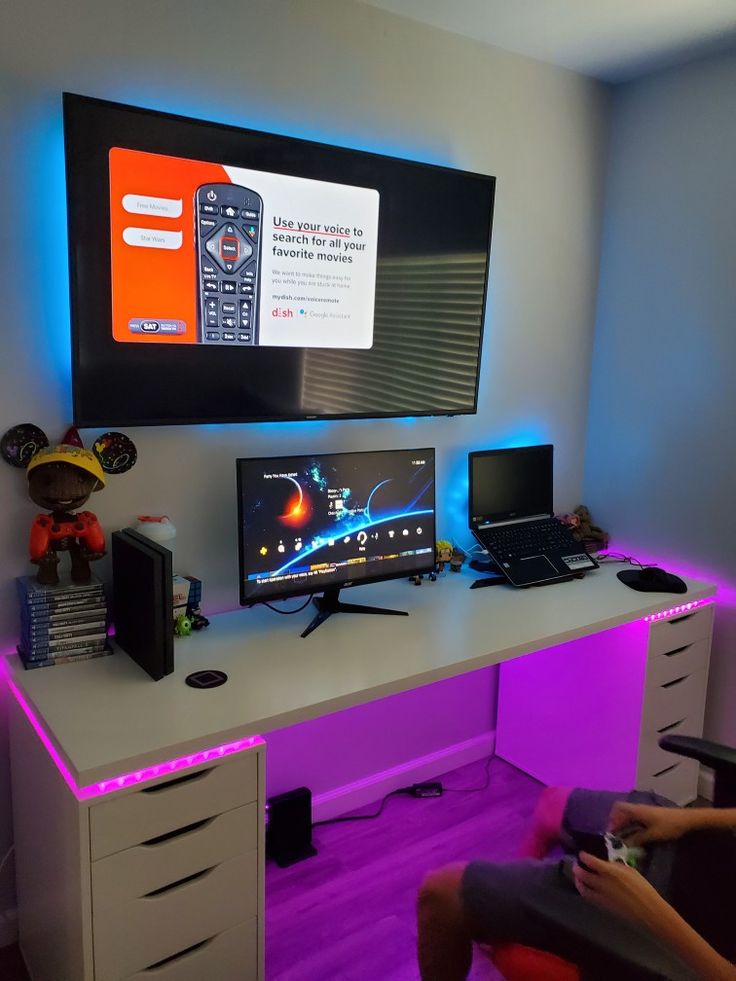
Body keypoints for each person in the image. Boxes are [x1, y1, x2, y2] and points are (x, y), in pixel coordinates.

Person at [416, 786, 736, 981]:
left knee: (442, 893)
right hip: (700, 850)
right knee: (552, 802)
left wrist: (645, 908)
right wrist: (685, 819)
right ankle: (507, 915)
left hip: (689, 937)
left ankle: (511, 913)